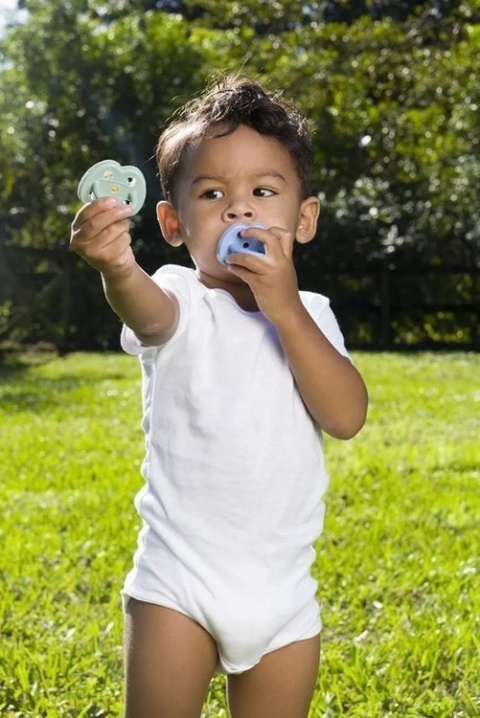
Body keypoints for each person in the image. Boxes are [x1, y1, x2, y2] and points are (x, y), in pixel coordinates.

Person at [70, 75, 368, 718]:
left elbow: (346, 417)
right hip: (179, 578)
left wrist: (284, 308)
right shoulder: (180, 297)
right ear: (173, 223)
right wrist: (118, 267)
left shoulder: (312, 313)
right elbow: (148, 314)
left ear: (304, 219)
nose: (239, 211)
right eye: (212, 194)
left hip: (283, 589)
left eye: (263, 192)